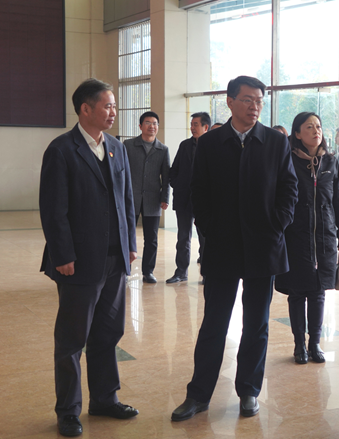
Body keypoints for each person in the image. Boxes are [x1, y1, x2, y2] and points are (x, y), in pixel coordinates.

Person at [171, 76, 298, 421]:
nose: (255, 106)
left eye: (259, 100)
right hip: (222, 247)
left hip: (264, 246)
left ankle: (249, 391)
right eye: (247, 100)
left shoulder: (275, 141)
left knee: (257, 324)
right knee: (214, 323)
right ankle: (198, 395)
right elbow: (199, 190)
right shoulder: (211, 143)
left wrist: (277, 224)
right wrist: (209, 230)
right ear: (229, 102)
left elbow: (289, 188)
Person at [39, 78, 139, 437]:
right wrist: (63, 254)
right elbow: (53, 209)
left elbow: (127, 199)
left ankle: (105, 399)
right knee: (72, 339)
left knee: (108, 332)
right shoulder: (62, 150)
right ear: (85, 109)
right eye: (107, 105)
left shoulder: (116, 147)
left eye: (114, 106)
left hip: (114, 259)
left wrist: (130, 244)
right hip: (78, 262)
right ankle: (68, 410)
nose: (113, 112)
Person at [275, 112, 339, 364]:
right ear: (297, 133)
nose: (316, 130)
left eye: (318, 126)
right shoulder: (287, 161)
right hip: (295, 238)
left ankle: (315, 343)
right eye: (309, 127)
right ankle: (299, 345)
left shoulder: (330, 162)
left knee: (318, 293)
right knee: (298, 292)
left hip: (324, 239)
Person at [123, 111, 170, 284]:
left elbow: (166, 176)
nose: (152, 126)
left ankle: (148, 272)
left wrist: (165, 198)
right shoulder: (128, 145)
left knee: (152, 239)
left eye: (155, 123)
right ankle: (124, 269)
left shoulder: (163, 149)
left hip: (153, 200)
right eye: (148, 123)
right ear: (140, 126)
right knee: (126, 235)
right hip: (130, 198)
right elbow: (120, 171)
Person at [166, 112, 211, 283]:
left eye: (196, 124)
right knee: (183, 237)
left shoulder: (212, 146)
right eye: (191, 124)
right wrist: (177, 184)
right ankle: (181, 272)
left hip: (204, 202)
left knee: (204, 239)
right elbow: (174, 169)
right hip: (184, 199)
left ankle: (207, 273)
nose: (192, 128)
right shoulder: (185, 145)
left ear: (205, 127)